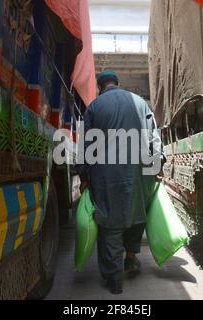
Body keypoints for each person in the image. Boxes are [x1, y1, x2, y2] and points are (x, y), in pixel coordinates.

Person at [78, 70, 164, 294]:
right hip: (138, 173)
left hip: (106, 176)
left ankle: (114, 278)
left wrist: (83, 176)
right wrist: (157, 165)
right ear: (117, 83)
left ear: (100, 87)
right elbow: (154, 137)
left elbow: (85, 147)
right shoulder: (140, 103)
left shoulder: (94, 108)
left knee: (110, 224)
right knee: (136, 215)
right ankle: (131, 256)